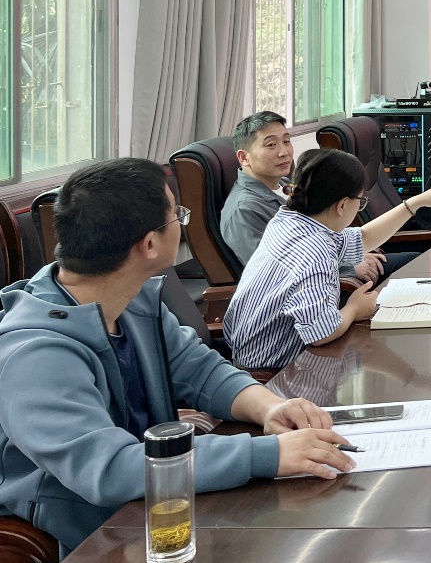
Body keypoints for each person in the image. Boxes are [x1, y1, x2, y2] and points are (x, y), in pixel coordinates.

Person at [0, 158, 358, 554]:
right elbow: (110, 469)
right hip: (89, 534)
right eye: (177, 216)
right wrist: (268, 454)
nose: (181, 223)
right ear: (150, 245)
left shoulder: (131, 298)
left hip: (162, 505)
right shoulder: (35, 355)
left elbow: (200, 370)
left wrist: (270, 406)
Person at [224, 148, 431, 369]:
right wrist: (354, 309)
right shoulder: (315, 252)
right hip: (276, 371)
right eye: (361, 201)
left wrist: (417, 202)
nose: (360, 206)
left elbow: (364, 238)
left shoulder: (291, 221)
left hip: (254, 354)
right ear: (342, 205)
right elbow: (321, 333)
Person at [220, 111, 415, 283]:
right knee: (414, 268)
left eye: (286, 141)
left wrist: (354, 253)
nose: (284, 152)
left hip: (335, 262)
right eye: (271, 145)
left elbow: (320, 231)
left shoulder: (285, 184)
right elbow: (273, 272)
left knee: (416, 261)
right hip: (320, 286)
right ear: (244, 157)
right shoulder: (243, 210)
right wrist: (350, 266)